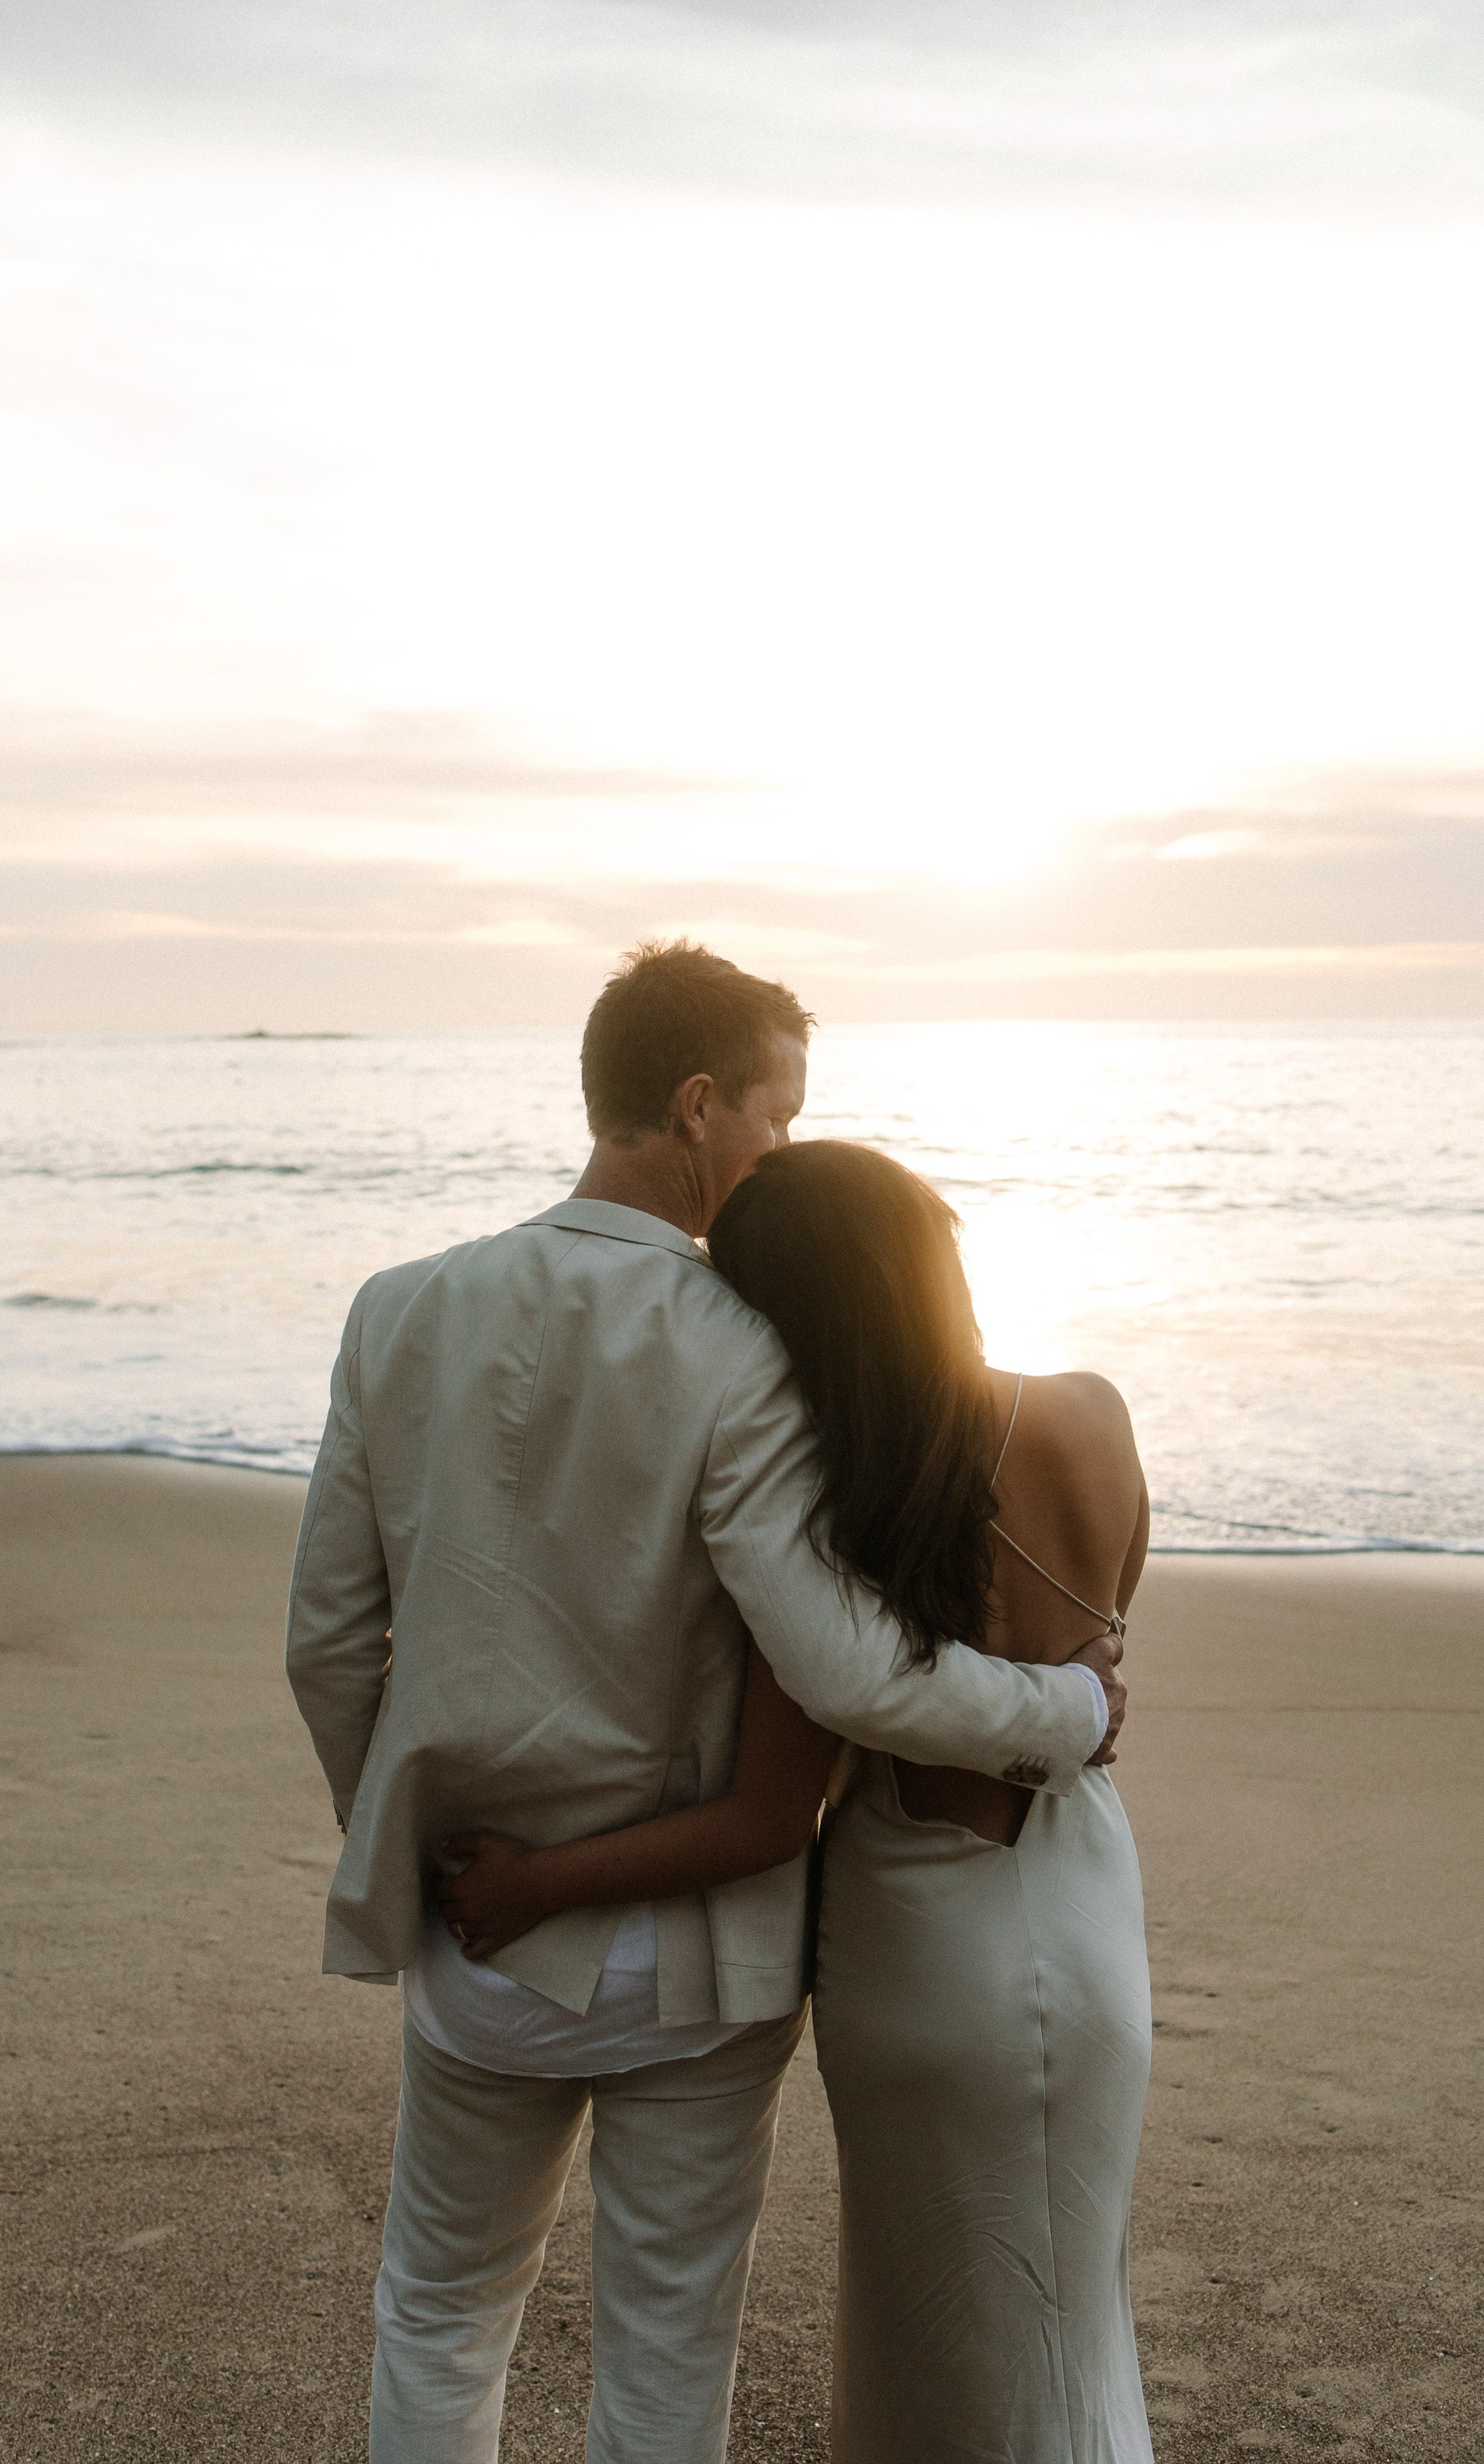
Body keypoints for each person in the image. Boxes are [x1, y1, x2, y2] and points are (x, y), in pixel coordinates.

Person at [285, 943, 1126, 2464]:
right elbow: (842, 1667)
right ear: (693, 1106)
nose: (780, 1151)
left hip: (479, 1929)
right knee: (668, 2345)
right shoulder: (747, 1348)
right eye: (777, 1116)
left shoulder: (396, 1310)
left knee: (439, 2309)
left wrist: (404, 1838)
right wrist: (1063, 1709)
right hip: (695, 1965)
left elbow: (331, 1646)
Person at [441, 1139, 1155, 2463]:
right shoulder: (1091, 1415)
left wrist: (531, 1883)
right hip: (1085, 1899)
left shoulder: (843, 1516)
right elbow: (1102, 1662)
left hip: (919, 1944)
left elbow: (771, 1816)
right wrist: (1066, 1713)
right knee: (1071, 2315)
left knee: (939, 2332)